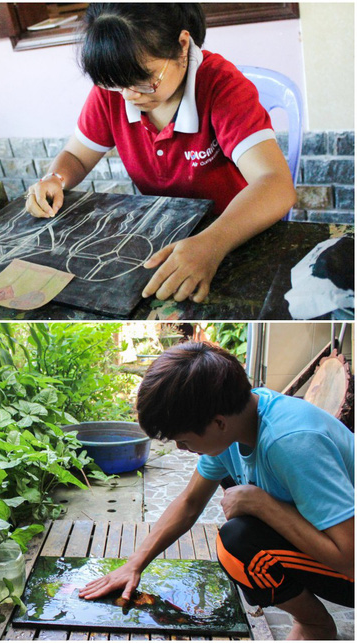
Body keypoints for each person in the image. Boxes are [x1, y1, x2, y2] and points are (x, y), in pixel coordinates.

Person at [79, 342, 354, 640]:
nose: (182, 450)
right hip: (329, 541)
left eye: (183, 441)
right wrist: (133, 565)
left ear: (218, 422)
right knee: (236, 501)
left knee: (238, 543)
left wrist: (262, 505)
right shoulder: (240, 420)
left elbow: (349, 558)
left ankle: (314, 624)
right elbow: (190, 503)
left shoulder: (291, 443)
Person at [25, 4, 296, 304]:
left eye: (145, 79)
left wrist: (212, 244)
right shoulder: (116, 90)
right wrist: (55, 178)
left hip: (232, 233)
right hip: (162, 236)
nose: (130, 95)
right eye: (117, 84)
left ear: (182, 46)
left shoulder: (221, 88)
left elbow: (275, 184)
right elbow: (75, 157)